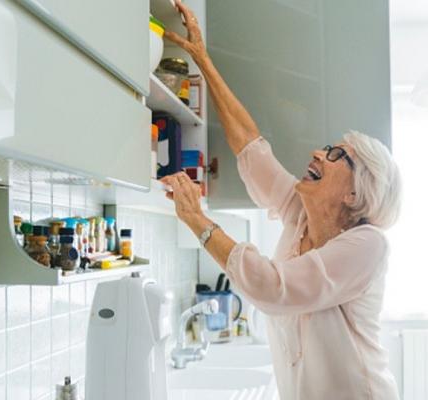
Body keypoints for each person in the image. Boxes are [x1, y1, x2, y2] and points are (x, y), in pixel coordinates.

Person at [161, 2, 402, 398]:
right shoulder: (300, 215)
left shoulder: (367, 246)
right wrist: (202, 58)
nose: (318, 153)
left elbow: (272, 288)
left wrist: (197, 220)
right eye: (327, 146)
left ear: (356, 192)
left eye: (337, 155)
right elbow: (250, 147)